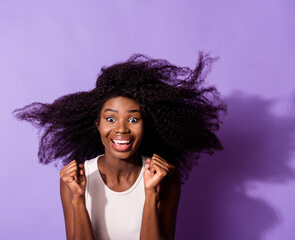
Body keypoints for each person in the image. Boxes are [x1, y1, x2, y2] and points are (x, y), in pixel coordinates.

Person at [14, 53, 226, 240]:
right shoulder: (75, 179)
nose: (122, 129)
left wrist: (151, 193)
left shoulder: (165, 177)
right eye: (111, 119)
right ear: (97, 124)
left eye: (133, 120)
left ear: (146, 126)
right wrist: (78, 199)